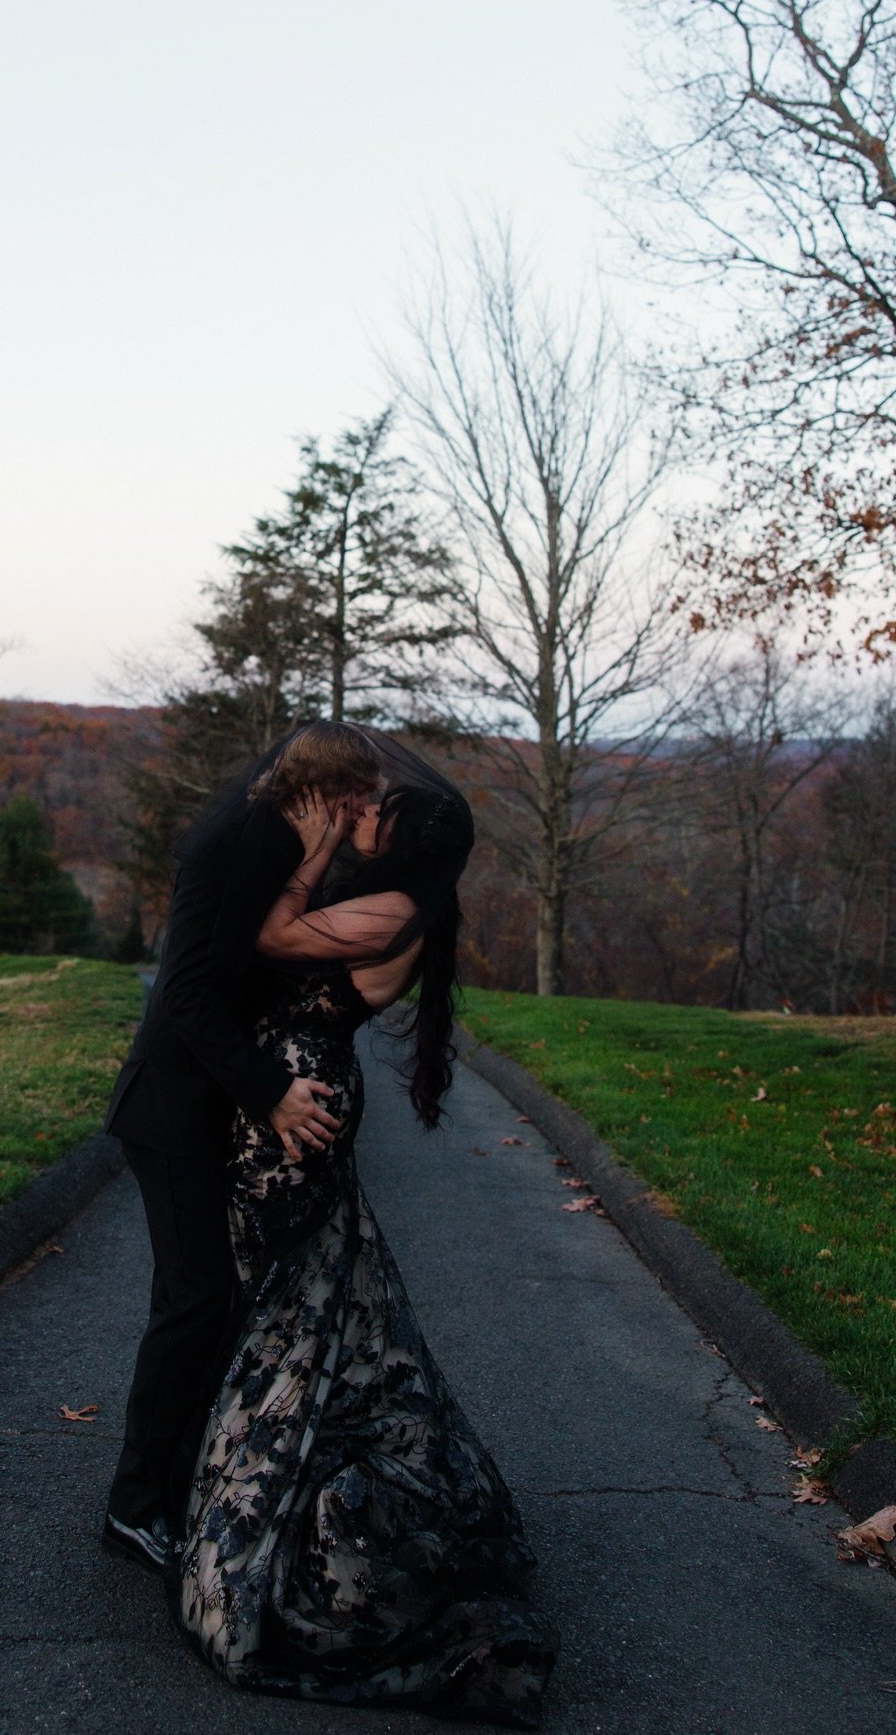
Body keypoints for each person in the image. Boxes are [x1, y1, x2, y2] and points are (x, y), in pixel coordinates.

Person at [172, 738, 559, 1727]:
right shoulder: (394, 899)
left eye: (378, 810)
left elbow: (270, 934)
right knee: (301, 1315)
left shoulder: (394, 910)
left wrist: (306, 848)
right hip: (284, 1111)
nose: (366, 811)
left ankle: (275, 1519)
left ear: (406, 843)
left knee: (295, 1320)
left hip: (296, 1123)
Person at [101, 720, 383, 1571]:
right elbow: (186, 992)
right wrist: (269, 1091)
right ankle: (133, 1505)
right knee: (193, 1299)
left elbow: (257, 958)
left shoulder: (273, 836)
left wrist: (314, 858)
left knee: (205, 1299)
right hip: (169, 1108)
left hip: (198, 1109)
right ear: (323, 791)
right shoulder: (241, 839)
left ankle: (177, 1477)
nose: (362, 813)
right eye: (354, 799)